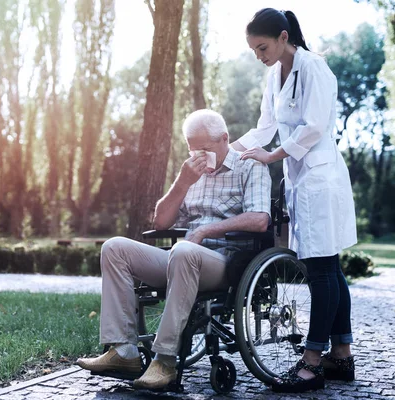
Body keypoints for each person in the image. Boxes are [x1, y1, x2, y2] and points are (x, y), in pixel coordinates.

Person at [77, 109, 271, 390]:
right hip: (184, 258)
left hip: (227, 262)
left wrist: (205, 230)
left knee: (183, 252)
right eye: (193, 149)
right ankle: (123, 352)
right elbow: (161, 221)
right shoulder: (191, 172)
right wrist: (182, 183)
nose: (199, 155)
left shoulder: (250, 166)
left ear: (224, 139)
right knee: (114, 248)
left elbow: (259, 218)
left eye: (204, 148)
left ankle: (165, 360)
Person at [230, 8, 357, 394]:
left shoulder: (314, 67)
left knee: (320, 269)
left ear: (284, 37)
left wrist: (272, 156)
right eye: (253, 50)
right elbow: (265, 127)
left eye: (262, 47)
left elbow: (314, 126)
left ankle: (312, 363)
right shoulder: (274, 76)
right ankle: (342, 357)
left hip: (320, 176)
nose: (259, 56)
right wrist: (229, 152)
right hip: (301, 179)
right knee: (329, 267)